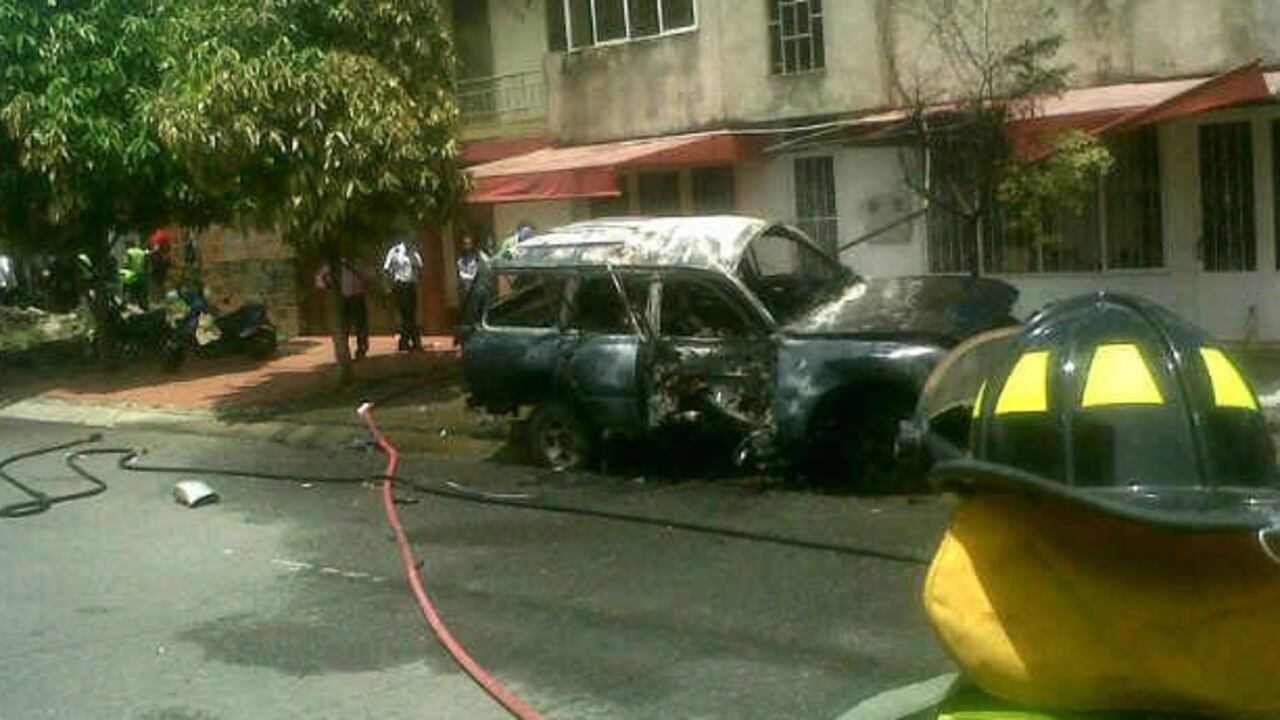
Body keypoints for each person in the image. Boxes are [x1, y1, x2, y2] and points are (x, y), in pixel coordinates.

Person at [314, 258, 371, 359]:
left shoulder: (358, 262)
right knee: (344, 326)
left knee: (361, 324)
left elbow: (369, 275)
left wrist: (364, 278)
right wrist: (328, 286)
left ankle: (362, 348)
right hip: (343, 298)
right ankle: (343, 352)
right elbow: (319, 278)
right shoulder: (335, 263)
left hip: (358, 296)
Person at [382, 232, 424, 352]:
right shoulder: (394, 251)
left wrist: (417, 279)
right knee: (406, 314)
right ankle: (412, 342)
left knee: (410, 314)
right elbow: (386, 269)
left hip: (411, 285)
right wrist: (388, 286)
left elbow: (420, 266)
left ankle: (406, 342)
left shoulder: (414, 251)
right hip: (400, 286)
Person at [455, 233, 488, 300]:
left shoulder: (477, 256)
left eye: (469, 243)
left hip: (476, 286)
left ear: (472, 244)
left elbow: (484, 267)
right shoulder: (460, 257)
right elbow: (460, 273)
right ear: (462, 245)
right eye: (465, 243)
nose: (467, 245)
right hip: (465, 287)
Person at [120, 236, 149, 309]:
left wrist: (122, 269)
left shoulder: (129, 252)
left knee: (127, 290)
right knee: (141, 292)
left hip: (131, 275)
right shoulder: (142, 252)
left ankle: (124, 305)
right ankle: (143, 306)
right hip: (141, 275)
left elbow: (126, 264)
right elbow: (146, 264)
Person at [148, 228, 173, 299]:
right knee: (160, 283)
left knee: (156, 283)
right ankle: (160, 298)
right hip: (161, 266)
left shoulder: (156, 236)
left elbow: (156, 249)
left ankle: (157, 298)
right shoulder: (163, 235)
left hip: (157, 266)